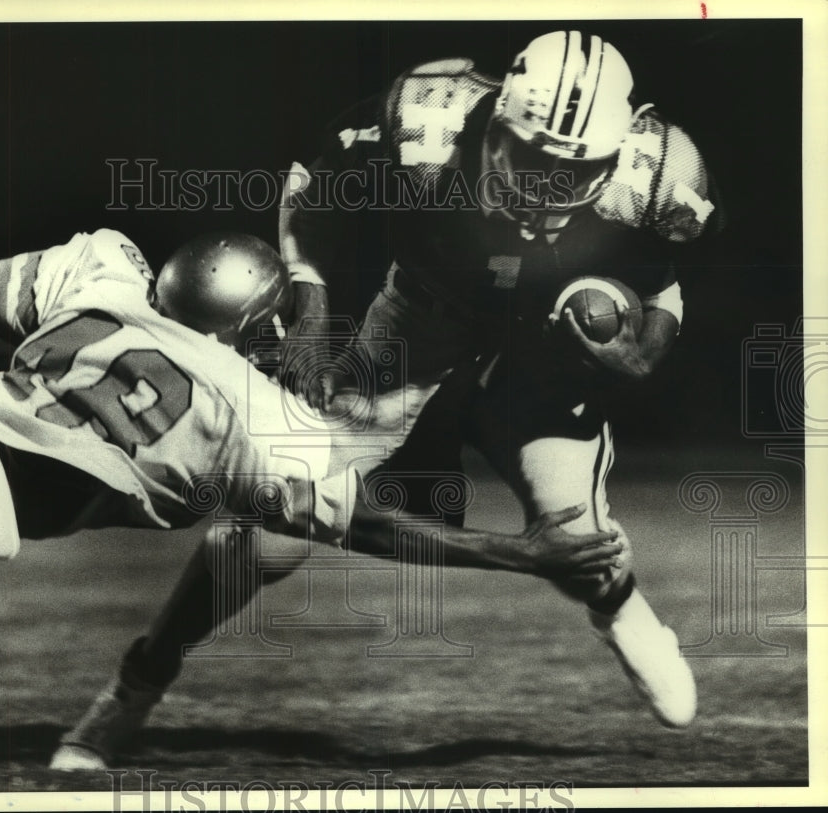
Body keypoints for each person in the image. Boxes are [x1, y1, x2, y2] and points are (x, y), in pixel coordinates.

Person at [0, 228, 622, 665]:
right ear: (251, 326)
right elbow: (371, 526)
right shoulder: (256, 418)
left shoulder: (102, 273)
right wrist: (523, 554)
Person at [272, 30, 720, 729]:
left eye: (570, 169)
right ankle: (143, 677)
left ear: (620, 149)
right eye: (530, 154)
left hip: (546, 335)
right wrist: (308, 291)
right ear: (499, 118)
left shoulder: (659, 170)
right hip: (423, 313)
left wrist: (647, 348)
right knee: (282, 502)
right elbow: (311, 182)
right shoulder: (428, 119)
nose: (544, 181)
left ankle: (622, 608)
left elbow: (664, 281)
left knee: (579, 537)